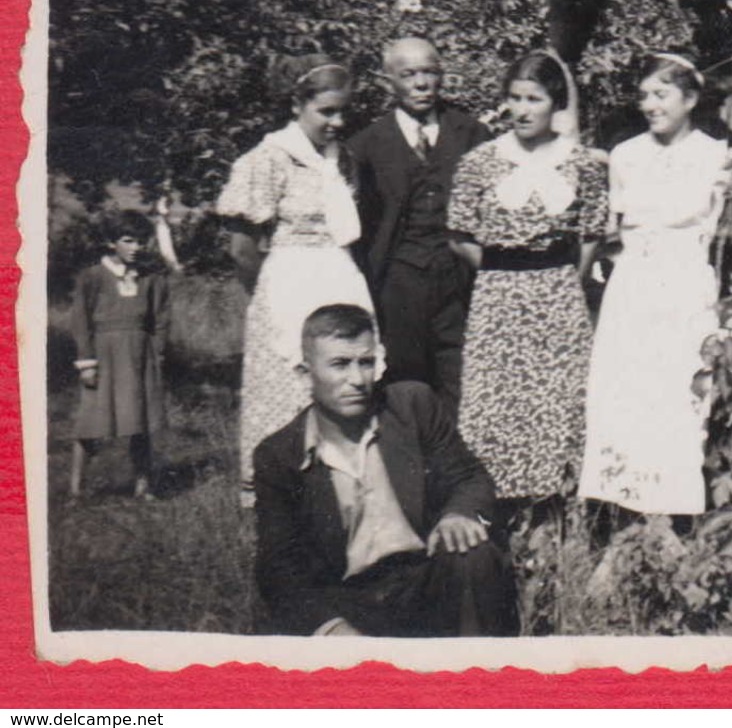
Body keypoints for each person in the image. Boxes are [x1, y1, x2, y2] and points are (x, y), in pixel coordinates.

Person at [252, 304, 518, 637]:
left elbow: (470, 477)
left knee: (472, 553)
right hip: (349, 600)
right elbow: (278, 566)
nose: (358, 380)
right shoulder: (279, 456)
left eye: (366, 363)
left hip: (425, 579)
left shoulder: (411, 407)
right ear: (306, 374)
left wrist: (459, 515)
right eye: (340, 365)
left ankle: (475, 681)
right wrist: (331, 628)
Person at [447, 51, 608, 504]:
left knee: (558, 399)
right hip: (497, 295)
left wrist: (558, 280)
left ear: (554, 102)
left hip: (558, 294)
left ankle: (554, 508)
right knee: (496, 401)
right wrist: (504, 274)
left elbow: (592, 232)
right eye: (514, 98)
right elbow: (458, 235)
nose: (522, 109)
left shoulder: (580, 164)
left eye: (533, 99)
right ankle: (495, 506)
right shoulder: (480, 162)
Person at [579, 53, 732, 517]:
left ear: (690, 99)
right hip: (633, 287)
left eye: (661, 94)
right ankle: (622, 512)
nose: (649, 104)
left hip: (685, 284)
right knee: (625, 395)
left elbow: (723, 234)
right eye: (644, 95)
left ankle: (670, 516)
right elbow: (613, 231)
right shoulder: (625, 156)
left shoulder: (716, 156)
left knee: (680, 394)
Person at [217, 54, 374, 495]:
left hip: (340, 278)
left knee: (347, 379)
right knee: (290, 384)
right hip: (289, 284)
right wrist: (265, 298)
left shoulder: (342, 161)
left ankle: (343, 489)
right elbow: (243, 249)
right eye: (327, 111)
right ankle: (279, 491)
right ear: (296, 106)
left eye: (344, 111)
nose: (338, 121)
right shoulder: (269, 158)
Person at [348, 38, 490, 411]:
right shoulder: (365, 145)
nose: (421, 83)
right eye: (408, 74)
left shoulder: (473, 135)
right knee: (403, 385)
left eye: (429, 72)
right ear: (388, 81)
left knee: (464, 382)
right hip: (398, 285)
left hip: (462, 284)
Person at [68, 209, 170, 500]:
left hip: (140, 357)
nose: (136, 248)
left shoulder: (150, 278)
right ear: (112, 242)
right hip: (104, 356)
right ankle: (76, 489)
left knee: (140, 421)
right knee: (92, 421)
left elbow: (161, 319)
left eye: (141, 241)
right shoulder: (93, 277)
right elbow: (80, 320)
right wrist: (87, 362)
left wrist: (157, 354)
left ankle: (143, 484)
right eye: (128, 240)